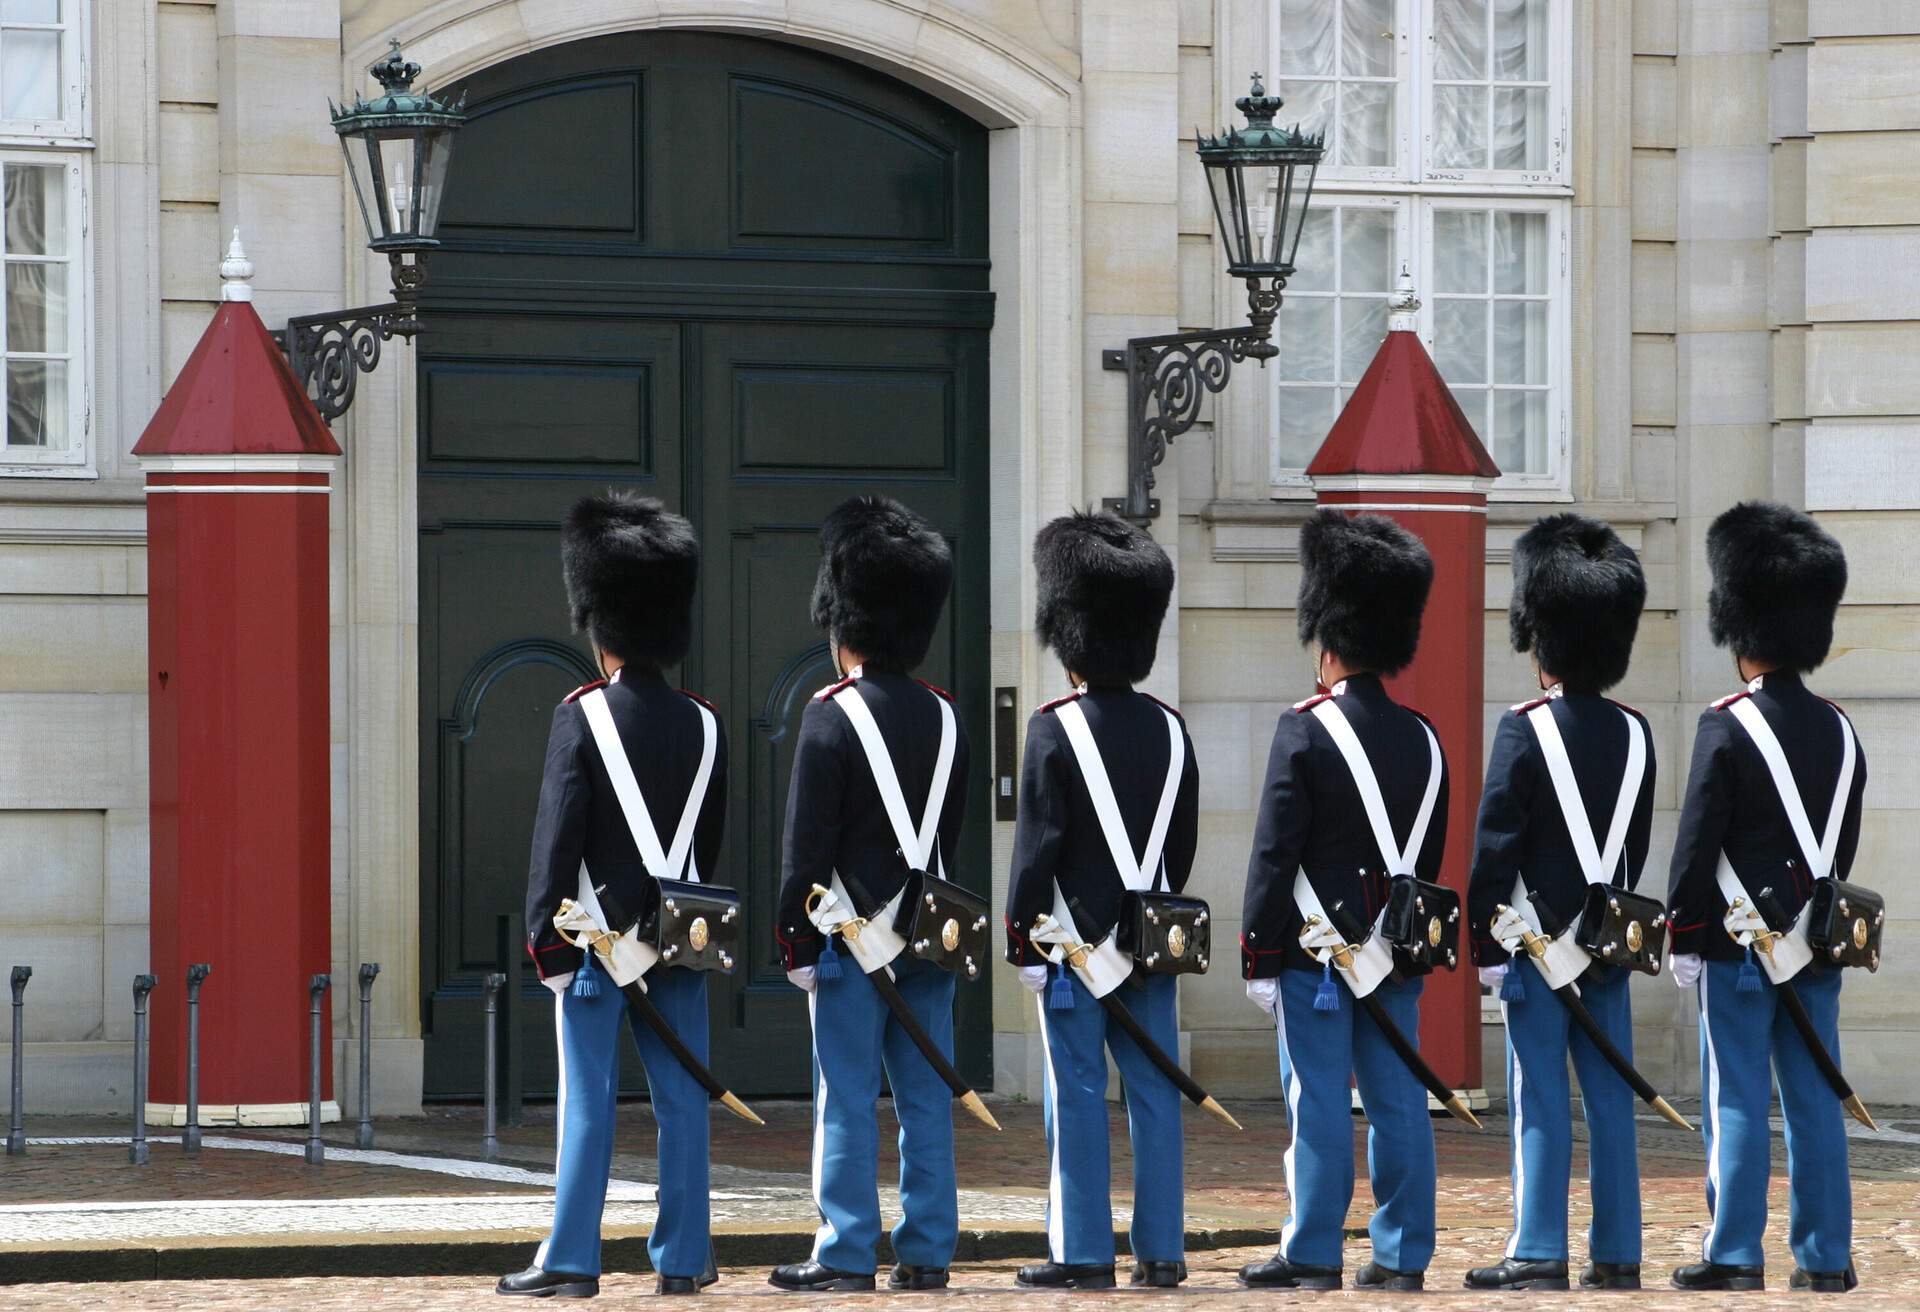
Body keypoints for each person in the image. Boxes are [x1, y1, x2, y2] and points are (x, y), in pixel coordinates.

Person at [500, 492, 728, 1299]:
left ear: (600, 627)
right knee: (683, 1104)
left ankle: (570, 1260)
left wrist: (545, 939)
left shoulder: (581, 715)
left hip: (594, 942)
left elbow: (556, 838)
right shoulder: (705, 722)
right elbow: (708, 840)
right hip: (680, 937)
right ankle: (685, 1257)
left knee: (588, 1106)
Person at [1237, 510, 1447, 1293]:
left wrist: (1260, 950)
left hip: (1315, 957)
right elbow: (1424, 858)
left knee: (1318, 1104)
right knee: (1399, 1105)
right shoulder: (1425, 737)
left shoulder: (1305, 728)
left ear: (1328, 641)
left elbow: (1274, 849)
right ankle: (1402, 1256)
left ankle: (1314, 1249)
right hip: (1395, 953)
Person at [770, 495, 971, 1294]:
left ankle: (848, 1250)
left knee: (845, 1099)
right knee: (926, 1100)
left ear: (841, 622)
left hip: (852, 943)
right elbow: (946, 834)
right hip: (928, 934)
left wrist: (796, 943)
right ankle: (927, 1250)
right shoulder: (949, 717)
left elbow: (805, 848)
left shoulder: (830, 714)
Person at [1667, 501, 1863, 1293]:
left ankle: (1735, 1252)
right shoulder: (1841, 727)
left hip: (1737, 946)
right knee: (1816, 1102)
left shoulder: (1727, 723)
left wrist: (1683, 931)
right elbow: (1839, 846)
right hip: (1817, 942)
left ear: (1739, 628)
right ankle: (1824, 1259)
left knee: (1737, 1098)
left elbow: (1697, 839)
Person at [1002, 510, 1199, 1291]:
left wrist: (1025, 939)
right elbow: (1178, 848)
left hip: (1076, 947)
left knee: (1077, 1095)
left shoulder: (1055, 729)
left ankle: (1082, 1251)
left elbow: (1037, 849)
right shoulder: (1172, 730)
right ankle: (1162, 1250)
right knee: (1154, 1096)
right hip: (1150, 943)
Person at [1464, 514, 1655, 1292]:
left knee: (1538, 1098)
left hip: (1537, 948)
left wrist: (1485, 944)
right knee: (1610, 1101)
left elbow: (1495, 842)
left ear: (1540, 638)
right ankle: (1618, 1251)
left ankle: (1539, 1247)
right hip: (1606, 945)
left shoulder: (1524, 726)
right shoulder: (1638, 732)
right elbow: (1633, 846)